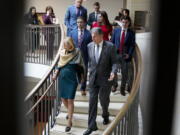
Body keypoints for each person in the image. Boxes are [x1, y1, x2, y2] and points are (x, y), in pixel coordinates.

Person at [83, 27, 117, 135]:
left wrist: (113, 72)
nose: (92, 38)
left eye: (95, 36)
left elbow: (115, 62)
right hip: (93, 78)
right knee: (92, 102)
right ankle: (91, 126)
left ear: (101, 36)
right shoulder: (89, 46)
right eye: (92, 36)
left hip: (105, 79)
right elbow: (90, 62)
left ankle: (105, 114)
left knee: (103, 100)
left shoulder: (110, 46)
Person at [52, 37, 85, 132]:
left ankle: (69, 121)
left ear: (70, 44)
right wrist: (55, 75)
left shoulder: (77, 52)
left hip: (72, 78)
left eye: (65, 45)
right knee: (63, 99)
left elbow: (80, 66)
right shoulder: (62, 52)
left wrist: (82, 77)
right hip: (62, 78)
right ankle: (70, 112)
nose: (63, 46)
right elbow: (59, 65)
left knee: (70, 100)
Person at [111, 16, 136, 96]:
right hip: (116, 54)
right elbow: (112, 42)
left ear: (128, 23)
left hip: (125, 56)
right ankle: (114, 85)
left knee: (125, 74)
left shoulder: (131, 33)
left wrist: (129, 54)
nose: (124, 24)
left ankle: (122, 89)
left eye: (126, 22)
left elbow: (132, 45)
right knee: (113, 72)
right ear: (121, 22)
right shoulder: (116, 30)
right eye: (123, 22)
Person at [69, 16, 92, 96]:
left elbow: (90, 45)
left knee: (84, 72)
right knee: (75, 72)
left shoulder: (88, 33)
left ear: (84, 23)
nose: (79, 24)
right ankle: (75, 86)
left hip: (85, 56)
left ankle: (83, 88)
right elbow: (70, 43)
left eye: (81, 22)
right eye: (78, 22)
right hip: (74, 55)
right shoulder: (72, 32)